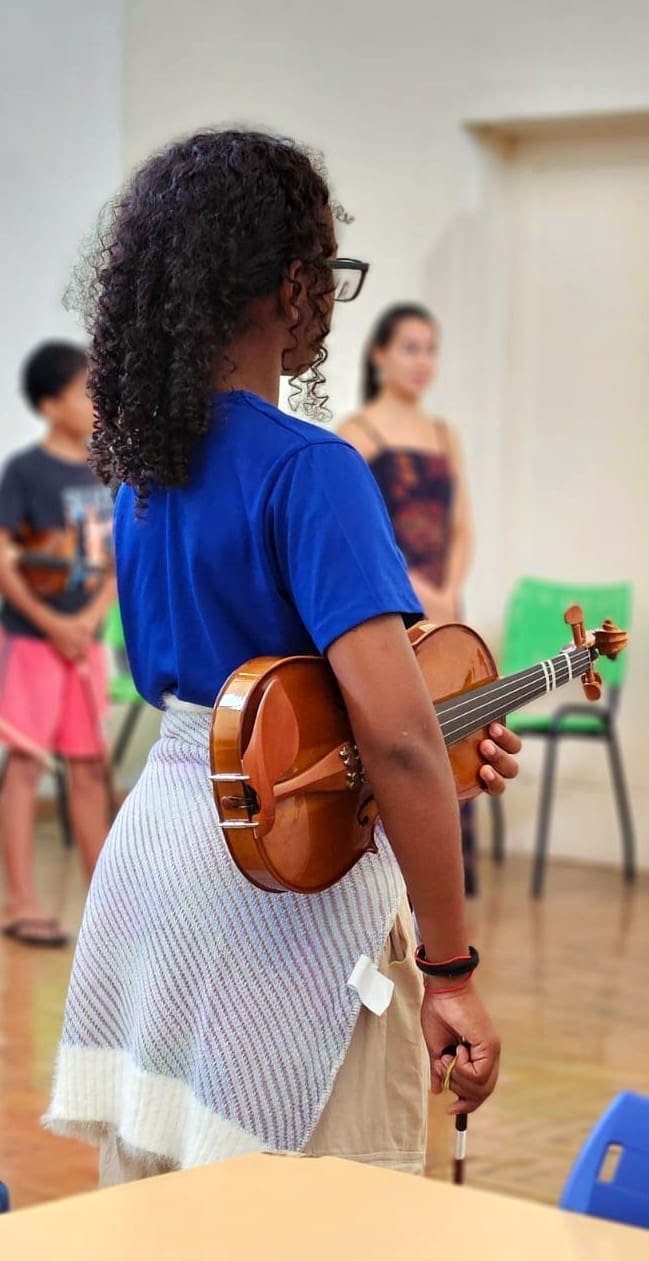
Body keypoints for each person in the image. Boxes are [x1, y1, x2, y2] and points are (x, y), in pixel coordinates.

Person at [46, 129, 521, 1181]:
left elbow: (313, 718)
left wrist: (434, 753)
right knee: (318, 1214)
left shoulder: (143, 468)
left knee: (165, 1209)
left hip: (160, 856)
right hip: (280, 890)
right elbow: (397, 742)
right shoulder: (313, 468)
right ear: (293, 283)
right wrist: (449, 969)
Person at [338, 306, 478, 893]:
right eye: (410, 348)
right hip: (390, 613)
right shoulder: (355, 434)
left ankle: (446, 885)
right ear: (380, 355)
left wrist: (448, 592)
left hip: (445, 612)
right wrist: (420, 591)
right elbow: (359, 538)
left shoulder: (445, 435)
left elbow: (462, 529)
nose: (423, 361)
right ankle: (389, 883)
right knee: (400, 739)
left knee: (457, 734)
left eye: (430, 348)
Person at [0, 342, 116, 947]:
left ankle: (105, 907)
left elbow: (117, 562)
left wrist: (87, 622)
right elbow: (3, 559)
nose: (95, 401)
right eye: (83, 391)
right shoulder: (26, 472)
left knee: (90, 767)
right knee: (26, 765)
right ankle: (20, 903)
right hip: (34, 644)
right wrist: (52, 624)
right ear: (50, 405)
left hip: (85, 644)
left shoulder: (108, 469)